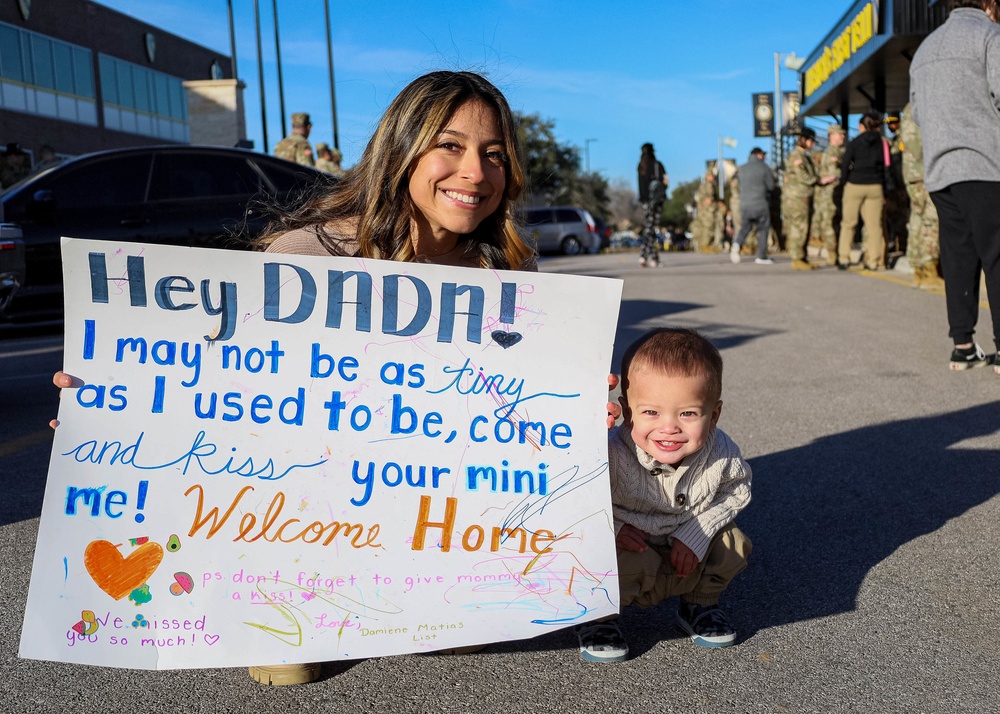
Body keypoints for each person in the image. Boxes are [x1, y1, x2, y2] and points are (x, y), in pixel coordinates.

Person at [51, 70, 623, 684]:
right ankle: (307, 596)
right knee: (286, 666)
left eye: (493, 155)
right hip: (304, 514)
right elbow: (220, 393)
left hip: (432, 509)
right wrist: (118, 402)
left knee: (462, 636)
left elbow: (511, 415)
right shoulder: (308, 258)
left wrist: (575, 405)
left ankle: (419, 594)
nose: (475, 173)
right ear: (402, 151)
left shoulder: (507, 272)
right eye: (449, 146)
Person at [574, 328, 752, 663]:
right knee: (599, 553)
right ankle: (599, 617)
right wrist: (614, 528)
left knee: (733, 543)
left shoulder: (721, 450)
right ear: (626, 410)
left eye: (687, 413)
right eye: (651, 412)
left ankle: (700, 604)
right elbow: (579, 494)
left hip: (688, 544)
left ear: (713, 415)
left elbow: (736, 489)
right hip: (633, 543)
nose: (668, 427)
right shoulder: (611, 453)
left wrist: (697, 532)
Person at [911, 0, 1000, 372]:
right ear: (989, 4)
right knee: (997, 254)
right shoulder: (989, 35)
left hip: (941, 170)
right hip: (985, 164)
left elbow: (916, 111)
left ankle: (962, 345)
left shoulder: (925, 48)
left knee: (959, 257)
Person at [899, 103, 944, 290]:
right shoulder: (926, 104)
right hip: (925, 172)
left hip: (912, 173)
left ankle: (917, 268)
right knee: (931, 220)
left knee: (917, 217)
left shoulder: (908, 110)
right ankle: (929, 269)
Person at [837, 111, 887, 271]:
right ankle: (873, 261)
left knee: (849, 223)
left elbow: (845, 165)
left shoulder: (854, 143)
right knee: (874, 226)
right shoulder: (883, 142)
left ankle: (844, 258)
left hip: (855, 185)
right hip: (875, 186)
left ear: (861, 126)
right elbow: (887, 166)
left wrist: (844, 183)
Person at [782, 127, 832, 270]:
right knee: (799, 228)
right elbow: (803, 176)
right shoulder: (797, 156)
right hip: (797, 198)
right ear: (804, 140)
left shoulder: (803, 155)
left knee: (803, 227)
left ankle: (801, 257)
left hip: (802, 196)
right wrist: (819, 180)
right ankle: (797, 258)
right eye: (811, 141)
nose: (813, 145)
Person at [730, 147, 775, 264]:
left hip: (745, 204)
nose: (764, 157)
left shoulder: (742, 169)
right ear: (758, 155)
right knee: (763, 229)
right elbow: (771, 186)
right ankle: (761, 256)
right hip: (760, 203)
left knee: (745, 227)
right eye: (763, 154)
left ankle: (736, 245)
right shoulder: (764, 167)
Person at [814, 125, 846, 266]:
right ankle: (833, 254)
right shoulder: (833, 152)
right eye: (840, 134)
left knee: (838, 224)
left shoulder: (840, 151)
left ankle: (837, 253)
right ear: (832, 136)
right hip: (831, 195)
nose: (843, 137)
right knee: (830, 225)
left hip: (837, 194)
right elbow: (835, 174)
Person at [637, 143, 668, 267]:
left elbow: (640, 187)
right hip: (657, 202)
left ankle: (652, 257)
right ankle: (645, 256)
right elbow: (666, 182)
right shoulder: (657, 165)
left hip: (645, 202)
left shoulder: (641, 166)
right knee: (650, 229)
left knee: (649, 229)